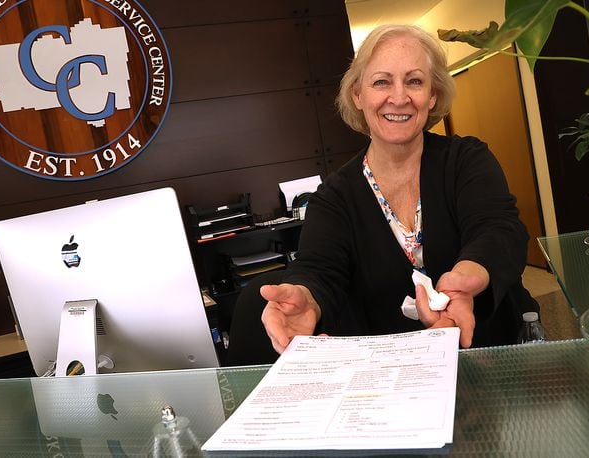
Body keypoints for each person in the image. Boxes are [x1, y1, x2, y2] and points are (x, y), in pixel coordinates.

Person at [228, 24, 538, 365]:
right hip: (396, 373)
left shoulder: (466, 159)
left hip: (494, 353)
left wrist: (466, 277)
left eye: (415, 81)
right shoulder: (334, 197)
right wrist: (305, 296)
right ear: (358, 95)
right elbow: (318, 268)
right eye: (382, 81)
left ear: (433, 95)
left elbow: (499, 230)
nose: (400, 97)